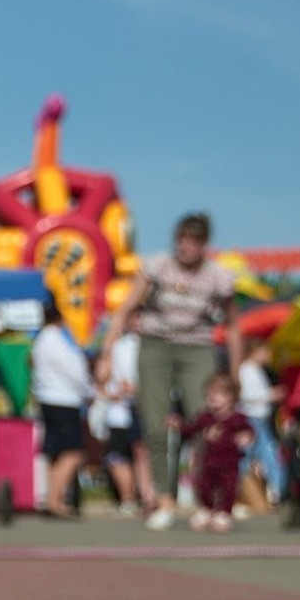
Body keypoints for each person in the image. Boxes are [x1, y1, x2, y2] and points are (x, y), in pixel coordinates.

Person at [99, 212, 237, 531]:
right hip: (157, 343)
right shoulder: (158, 265)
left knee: (205, 422)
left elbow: (233, 328)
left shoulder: (218, 276)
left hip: (197, 346)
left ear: (204, 245)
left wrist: (236, 370)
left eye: (192, 241)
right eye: (180, 240)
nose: (184, 247)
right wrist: (106, 354)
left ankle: (212, 502)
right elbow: (125, 310)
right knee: (156, 424)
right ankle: (163, 499)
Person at [30, 297, 94, 517]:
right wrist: (90, 390)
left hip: (50, 399)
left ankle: (52, 498)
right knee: (72, 452)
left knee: (56, 452)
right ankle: (55, 501)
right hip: (64, 401)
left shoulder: (41, 341)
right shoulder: (56, 341)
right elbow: (74, 371)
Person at [180, 373, 256, 533]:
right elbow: (191, 429)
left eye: (218, 394)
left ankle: (224, 513)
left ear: (231, 397)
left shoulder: (237, 418)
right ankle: (207, 509)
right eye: (209, 394)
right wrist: (178, 425)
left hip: (229, 462)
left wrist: (247, 436)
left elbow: (250, 430)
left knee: (229, 488)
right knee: (204, 485)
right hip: (209, 460)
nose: (212, 397)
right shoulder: (205, 417)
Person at [91, 328, 148, 514]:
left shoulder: (135, 346)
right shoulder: (115, 348)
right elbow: (100, 379)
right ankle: (128, 498)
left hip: (135, 411)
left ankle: (144, 497)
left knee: (139, 455)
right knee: (118, 457)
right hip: (116, 415)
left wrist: (135, 390)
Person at [238, 335, 283, 511]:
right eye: (265, 350)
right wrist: (270, 395)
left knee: (262, 457)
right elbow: (245, 396)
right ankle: (274, 492)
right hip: (251, 420)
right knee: (264, 456)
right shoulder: (246, 370)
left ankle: (272, 492)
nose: (268, 354)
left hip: (260, 420)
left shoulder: (258, 370)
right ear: (255, 352)